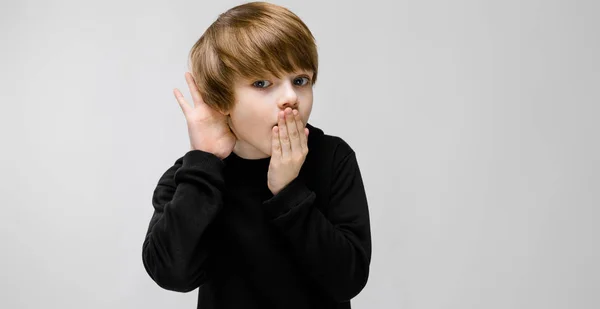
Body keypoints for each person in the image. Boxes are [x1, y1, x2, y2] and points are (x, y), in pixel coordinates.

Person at [141, 2, 372, 308]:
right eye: (262, 83)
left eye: (300, 81)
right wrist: (205, 163)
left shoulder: (332, 159)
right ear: (221, 98)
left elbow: (348, 280)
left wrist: (289, 192)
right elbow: (172, 273)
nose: (290, 97)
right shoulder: (193, 175)